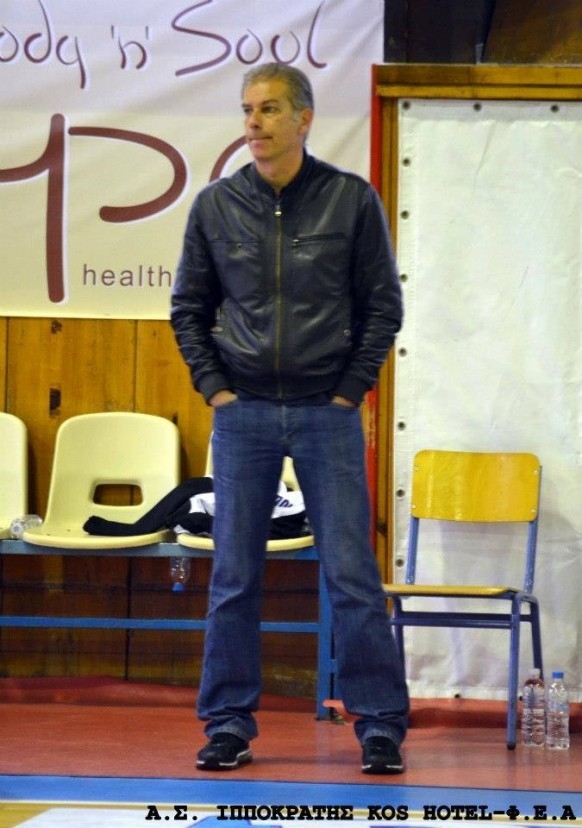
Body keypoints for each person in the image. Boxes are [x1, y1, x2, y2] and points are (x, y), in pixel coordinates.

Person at [171, 62, 409, 775]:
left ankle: (379, 725)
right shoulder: (216, 206)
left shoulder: (350, 200)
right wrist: (215, 389)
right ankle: (228, 725)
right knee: (234, 577)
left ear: (304, 119)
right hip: (242, 414)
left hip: (325, 413)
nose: (254, 123)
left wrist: (349, 391)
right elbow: (188, 309)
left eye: (270, 109)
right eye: (248, 110)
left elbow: (383, 307)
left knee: (352, 575)